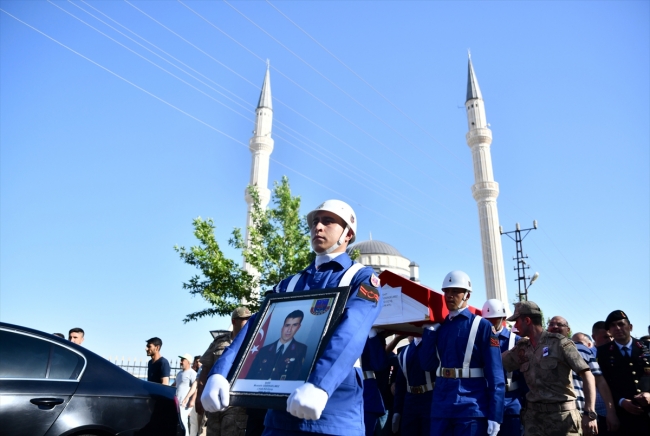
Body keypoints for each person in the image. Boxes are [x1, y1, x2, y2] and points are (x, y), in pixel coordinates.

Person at [202, 199, 383, 436]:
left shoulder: (361, 278)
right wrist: (220, 373)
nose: (318, 227)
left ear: (348, 234)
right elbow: (255, 330)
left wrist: (320, 385)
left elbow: (352, 331)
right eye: (315, 222)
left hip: (333, 413)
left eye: (328, 221)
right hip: (280, 414)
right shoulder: (290, 283)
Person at [419, 271, 505, 436]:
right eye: (446, 291)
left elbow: (495, 373)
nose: (449, 296)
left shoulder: (482, 326)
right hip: (441, 406)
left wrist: (496, 414)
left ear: (467, 295)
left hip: (470, 407)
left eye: (455, 291)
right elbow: (427, 365)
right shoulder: (441, 328)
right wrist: (429, 334)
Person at [501, 301, 598, 436]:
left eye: (517, 321)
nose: (515, 325)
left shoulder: (560, 343)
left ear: (527, 320)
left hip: (562, 419)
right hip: (534, 421)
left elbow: (587, 375)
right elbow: (497, 362)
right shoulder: (522, 348)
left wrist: (589, 412)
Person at [197, 307, 251, 436]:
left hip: (235, 404)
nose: (248, 322)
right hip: (214, 403)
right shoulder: (220, 341)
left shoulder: (252, 342)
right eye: (244, 320)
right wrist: (199, 397)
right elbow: (205, 369)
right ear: (234, 322)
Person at [596, 310, 650, 435]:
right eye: (613, 326)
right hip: (622, 414)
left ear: (630, 327)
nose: (618, 328)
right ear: (609, 331)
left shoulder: (647, 346)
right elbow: (604, 383)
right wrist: (621, 401)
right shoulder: (603, 353)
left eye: (621, 324)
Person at [481, 298, 525, 436]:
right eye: (487, 319)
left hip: (511, 403)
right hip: (487, 402)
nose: (490, 323)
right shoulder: (479, 340)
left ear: (503, 318)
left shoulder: (516, 341)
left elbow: (525, 377)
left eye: (494, 319)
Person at [571, 332, 619, 435]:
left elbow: (600, 381)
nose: (575, 345)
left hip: (593, 413)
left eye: (579, 343)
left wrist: (609, 412)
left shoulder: (586, 352)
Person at [246, 310, 308, 381]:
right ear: (282, 327)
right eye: (287, 325)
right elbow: (250, 376)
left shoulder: (301, 349)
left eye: (294, 325)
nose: (289, 330)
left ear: (298, 327)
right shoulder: (264, 350)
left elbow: (295, 377)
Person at [393, 335, 434, 435]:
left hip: (430, 399)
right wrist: (397, 410)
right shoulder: (404, 351)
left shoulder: (433, 346)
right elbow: (400, 385)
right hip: (410, 402)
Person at [175, 353, 198, 434]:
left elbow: (195, 388)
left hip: (185, 403)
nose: (181, 362)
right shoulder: (179, 373)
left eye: (183, 360)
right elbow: (176, 384)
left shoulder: (192, 373)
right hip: (178, 402)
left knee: (183, 422)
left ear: (188, 362)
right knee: (179, 422)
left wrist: (192, 400)